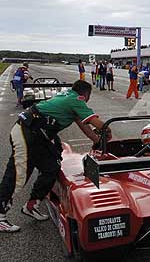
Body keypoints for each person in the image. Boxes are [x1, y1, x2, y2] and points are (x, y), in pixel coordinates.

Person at [0, 80, 110, 232]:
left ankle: (32, 205)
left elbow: (86, 128)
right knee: (18, 175)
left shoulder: (69, 98)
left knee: (52, 167)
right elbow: (96, 123)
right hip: (27, 131)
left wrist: (100, 142)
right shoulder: (76, 99)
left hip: (39, 135)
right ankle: (0, 216)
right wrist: (107, 132)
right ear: (85, 94)